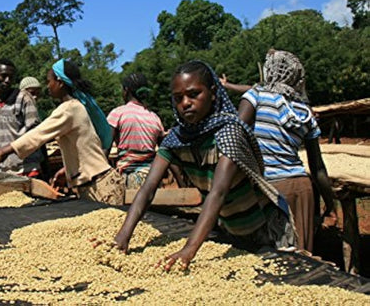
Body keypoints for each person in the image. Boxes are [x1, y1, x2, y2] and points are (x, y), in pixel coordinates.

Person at [105, 60, 296, 271]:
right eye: (178, 98)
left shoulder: (229, 132)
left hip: (264, 230)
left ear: (213, 93)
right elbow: (148, 188)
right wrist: (123, 237)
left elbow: (218, 192)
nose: (186, 103)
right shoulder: (178, 138)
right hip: (229, 226)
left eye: (194, 94)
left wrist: (189, 249)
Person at [0, 59, 125, 205]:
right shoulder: (75, 107)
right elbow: (83, 146)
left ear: (60, 82)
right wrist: (68, 170)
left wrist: (2, 152)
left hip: (100, 188)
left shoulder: (68, 109)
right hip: (96, 185)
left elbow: (38, 134)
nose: (48, 86)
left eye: (49, 81)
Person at [238, 49, 337, 252]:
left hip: (271, 189)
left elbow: (236, 137)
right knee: (303, 255)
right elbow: (318, 168)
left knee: (275, 261)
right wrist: (330, 204)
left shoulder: (256, 96)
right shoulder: (304, 111)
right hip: (303, 189)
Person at [107, 72, 165, 188]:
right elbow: (165, 153)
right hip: (152, 180)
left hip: (127, 179)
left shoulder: (118, 113)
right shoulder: (154, 117)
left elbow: (105, 147)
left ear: (126, 90)